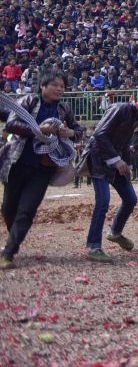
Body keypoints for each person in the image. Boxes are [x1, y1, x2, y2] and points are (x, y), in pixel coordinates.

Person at [0, 68, 83, 269]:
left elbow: (79, 131)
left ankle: (9, 252)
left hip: (43, 168)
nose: (59, 89)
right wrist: (39, 130)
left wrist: (69, 132)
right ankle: (15, 240)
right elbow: (11, 124)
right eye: (54, 85)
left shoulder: (64, 109)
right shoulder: (29, 101)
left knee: (27, 210)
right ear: (43, 86)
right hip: (18, 163)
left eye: (62, 86)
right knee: (8, 208)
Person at [84, 88, 138, 261]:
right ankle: (93, 246)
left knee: (130, 199)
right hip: (99, 159)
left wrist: (126, 162)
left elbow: (123, 141)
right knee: (102, 202)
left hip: (116, 161)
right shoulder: (121, 108)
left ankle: (115, 232)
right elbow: (100, 134)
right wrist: (116, 160)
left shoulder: (135, 116)